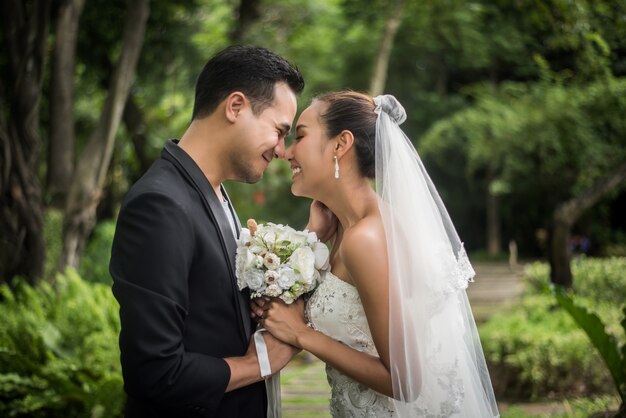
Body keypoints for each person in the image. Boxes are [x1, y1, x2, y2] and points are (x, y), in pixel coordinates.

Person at [253, 91, 500, 417]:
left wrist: (302, 334)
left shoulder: (366, 239)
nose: (286, 152)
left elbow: (405, 381)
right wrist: (312, 237)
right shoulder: (342, 230)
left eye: (300, 136)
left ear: (341, 144)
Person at [109, 46, 308, 417]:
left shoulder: (212, 190)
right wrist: (258, 364)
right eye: (279, 131)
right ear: (235, 107)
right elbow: (153, 371)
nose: (282, 150)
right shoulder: (159, 205)